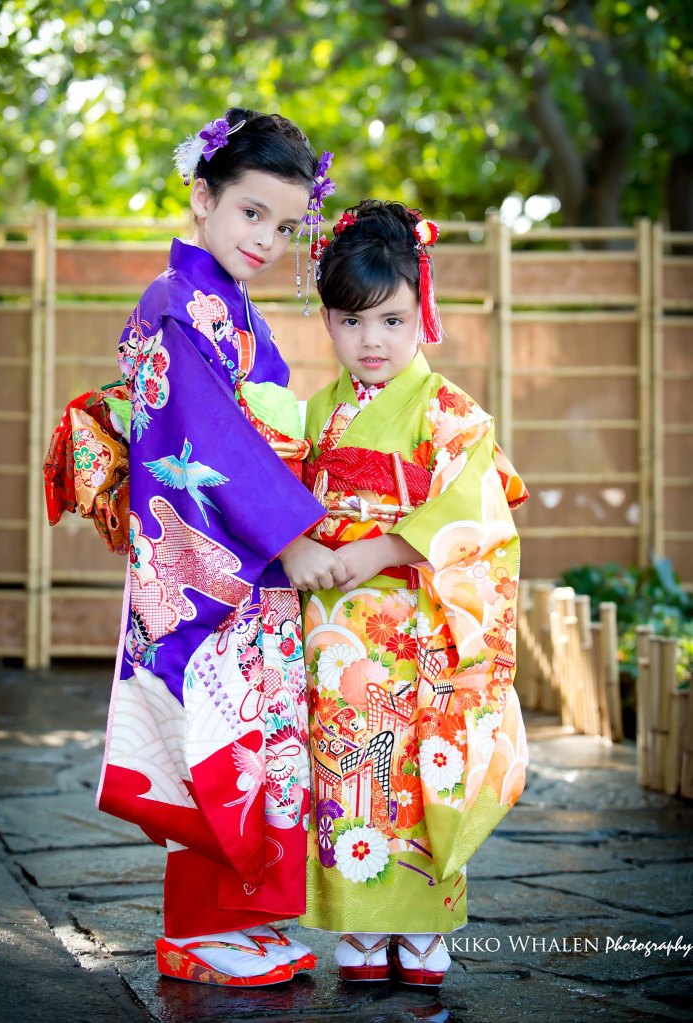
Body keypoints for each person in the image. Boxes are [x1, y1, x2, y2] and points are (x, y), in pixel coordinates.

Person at [67, 109, 347, 987]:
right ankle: (192, 928)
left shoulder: (230, 305)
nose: (266, 238)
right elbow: (206, 435)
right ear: (202, 198)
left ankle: (238, 914)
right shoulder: (174, 301)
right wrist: (291, 533)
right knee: (211, 736)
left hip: (241, 559)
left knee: (253, 736)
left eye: (284, 224)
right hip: (201, 559)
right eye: (250, 213)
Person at [296, 200, 529, 986]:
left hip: (421, 621)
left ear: (420, 315)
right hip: (337, 628)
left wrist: (386, 546)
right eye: (352, 322)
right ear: (326, 321)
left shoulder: (446, 412)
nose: (372, 342)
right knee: (347, 768)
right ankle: (360, 923)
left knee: (424, 766)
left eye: (392, 321)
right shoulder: (319, 413)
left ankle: (426, 920)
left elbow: (474, 508)